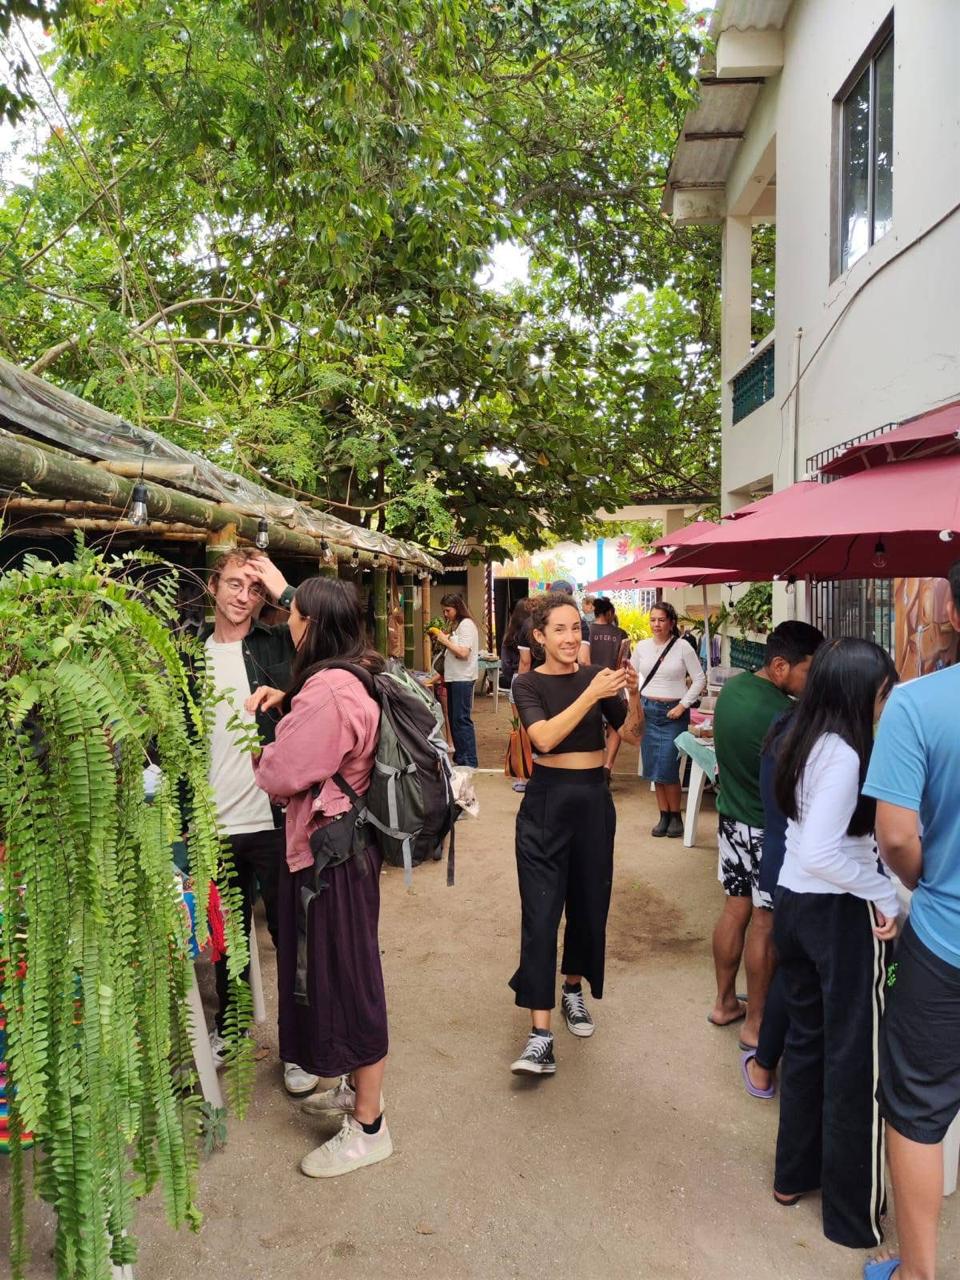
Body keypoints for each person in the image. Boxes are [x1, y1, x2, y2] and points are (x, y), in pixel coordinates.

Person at [249, 578, 392, 1178]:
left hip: (331, 859)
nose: (287, 621)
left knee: (351, 982)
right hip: (347, 850)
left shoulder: (329, 691)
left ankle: (370, 1127)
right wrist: (291, 706)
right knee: (343, 973)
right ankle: (358, 1095)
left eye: (294, 613)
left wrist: (262, 754)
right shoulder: (357, 671)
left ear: (310, 624)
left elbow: (282, 773)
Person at [771, 638, 900, 1249]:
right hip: (835, 914)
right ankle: (853, 1216)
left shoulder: (805, 736)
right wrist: (883, 892)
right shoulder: (846, 754)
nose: (886, 704)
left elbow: (807, 843)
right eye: (882, 693)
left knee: (807, 1044)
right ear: (858, 694)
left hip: (794, 904)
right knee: (856, 1061)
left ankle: (793, 1176)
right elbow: (827, 851)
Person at [861, 560, 960, 1280]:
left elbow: (895, 838)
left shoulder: (917, 705)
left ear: (951, 611)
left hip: (944, 943)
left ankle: (919, 1273)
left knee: (917, 1110)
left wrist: (934, 882)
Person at [507, 593, 642, 1075]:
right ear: (539, 636)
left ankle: (572, 989)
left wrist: (632, 693)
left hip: (592, 802)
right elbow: (542, 738)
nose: (570, 638)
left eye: (575, 629)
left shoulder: (597, 678)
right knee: (541, 916)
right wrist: (591, 693)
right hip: (546, 803)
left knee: (588, 908)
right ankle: (540, 1036)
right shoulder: (527, 684)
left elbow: (632, 734)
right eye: (560, 629)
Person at [200, 547, 318, 1097]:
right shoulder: (188, 655)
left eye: (253, 588)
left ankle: (298, 1047)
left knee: (288, 933)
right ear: (212, 585)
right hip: (213, 821)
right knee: (226, 938)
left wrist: (283, 587)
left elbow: (328, 635)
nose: (242, 597)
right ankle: (231, 1028)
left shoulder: (276, 644)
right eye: (233, 584)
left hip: (272, 817)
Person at [708, 622, 824, 1049]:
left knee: (734, 910)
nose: (815, 682)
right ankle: (756, 1025)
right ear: (779, 666)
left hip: (731, 819)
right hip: (767, 831)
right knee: (764, 922)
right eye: (810, 671)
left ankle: (724, 1002)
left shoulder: (734, 690)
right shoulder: (781, 716)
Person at [630, 601, 705, 838]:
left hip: (674, 713)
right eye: (653, 620)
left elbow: (700, 679)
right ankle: (663, 815)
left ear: (671, 622)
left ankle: (676, 817)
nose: (656, 624)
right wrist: (633, 701)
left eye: (661, 620)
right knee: (654, 768)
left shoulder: (683, 647)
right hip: (648, 711)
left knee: (669, 767)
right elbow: (630, 676)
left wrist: (683, 705)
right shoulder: (642, 647)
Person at [429, 593, 480, 768]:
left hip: (462, 678)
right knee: (454, 719)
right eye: (444, 611)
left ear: (457, 608)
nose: (445, 614)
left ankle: (469, 760)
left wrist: (445, 640)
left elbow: (463, 652)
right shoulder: (456, 625)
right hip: (454, 678)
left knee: (461, 719)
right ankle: (461, 757)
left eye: (447, 610)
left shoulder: (466, 625)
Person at [500, 597, 534, 688]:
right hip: (538, 675)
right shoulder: (539, 634)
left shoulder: (510, 635)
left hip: (518, 675)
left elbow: (506, 664)